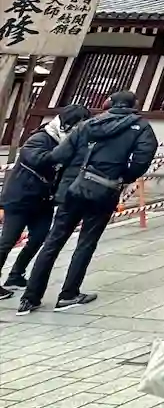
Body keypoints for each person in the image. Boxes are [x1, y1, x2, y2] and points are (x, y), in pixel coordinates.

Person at [19, 89, 158, 313]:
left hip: (73, 188)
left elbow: (59, 155)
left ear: (109, 103)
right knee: (86, 242)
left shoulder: (87, 124)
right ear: (135, 105)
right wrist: (123, 176)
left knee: (53, 241)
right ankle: (68, 294)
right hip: (105, 189)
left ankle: (30, 297)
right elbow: (142, 160)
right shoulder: (141, 128)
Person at [0, 104, 90, 300]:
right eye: (78, 125)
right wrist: (66, 151)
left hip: (44, 199)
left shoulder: (70, 142)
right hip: (21, 197)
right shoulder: (40, 137)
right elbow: (38, 159)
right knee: (7, 241)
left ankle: (16, 274)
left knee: (39, 238)